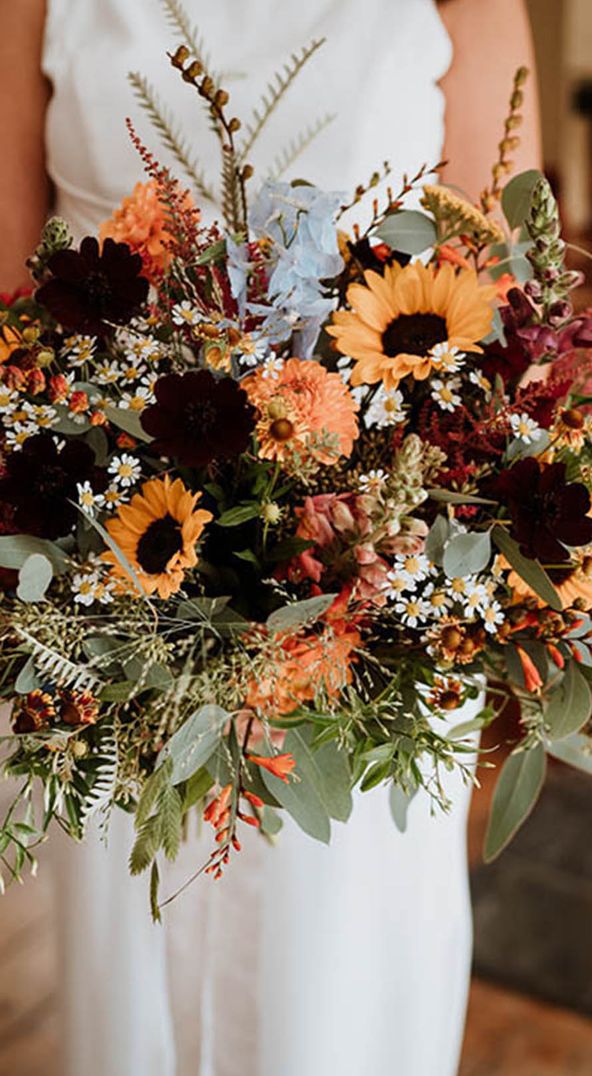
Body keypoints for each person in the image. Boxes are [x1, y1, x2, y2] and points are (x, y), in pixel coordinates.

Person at [0, 2, 539, 1074]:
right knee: (129, 956)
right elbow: (10, 308)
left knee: (343, 969)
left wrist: (374, 533)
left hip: (369, 588)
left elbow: (497, 306)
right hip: (112, 585)